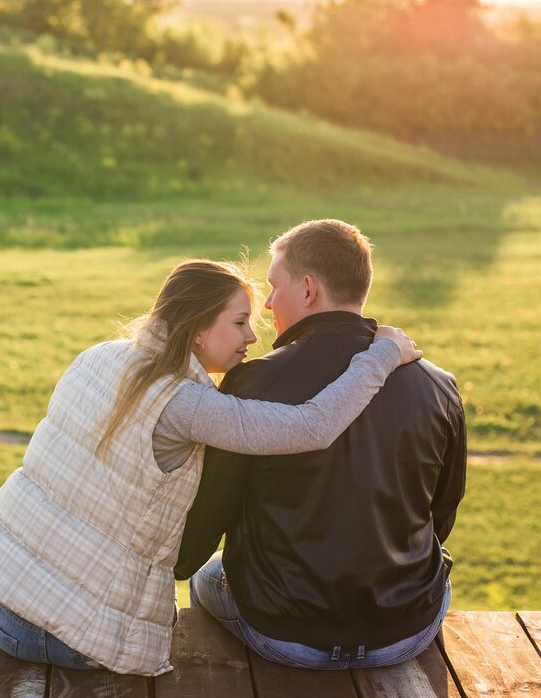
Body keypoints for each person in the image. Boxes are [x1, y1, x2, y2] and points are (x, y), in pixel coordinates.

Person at [0, 258, 421, 676]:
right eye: (240, 322)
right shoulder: (184, 404)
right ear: (199, 329)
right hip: (72, 638)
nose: (252, 337)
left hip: (1, 602)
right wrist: (382, 355)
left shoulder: (97, 357)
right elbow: (312, 428)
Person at [175, 220, 466, 670]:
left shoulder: (253, 381)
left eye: (274, 287)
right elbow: (441, 515)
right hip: (406, 631)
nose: (267, 303)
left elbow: (213, 516)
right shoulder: (438, 384)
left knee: (203, 573)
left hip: (284, 634)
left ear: (308, 289)